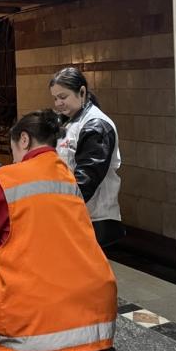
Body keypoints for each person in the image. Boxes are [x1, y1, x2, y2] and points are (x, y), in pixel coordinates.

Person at [0, 110, 118, 351]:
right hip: (96, 317)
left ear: (23, 140)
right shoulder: (68, 179)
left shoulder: (5, 179)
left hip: (35, 325)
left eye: (13, 149)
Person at [50, 67, 124, 247]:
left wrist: (57, 209)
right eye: (55, 98)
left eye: (63, 97)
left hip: (95, 220)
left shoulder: (96, 125)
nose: (58, 103)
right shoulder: (70, 121)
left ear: (81, 92)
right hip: (76, 216)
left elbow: (86, 179)